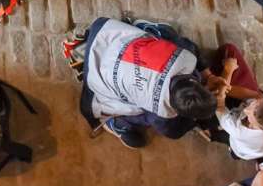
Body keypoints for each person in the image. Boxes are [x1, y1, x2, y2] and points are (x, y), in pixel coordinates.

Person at [76, 17, 216, 148]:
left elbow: (190, 50)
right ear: (177, 112)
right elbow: (174, 131)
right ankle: (117, 123)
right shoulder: (160, 114)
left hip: (103, 33)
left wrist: (207, 74)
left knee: (168, 36)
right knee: (137, 111)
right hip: (97, 73)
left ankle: (142, 27)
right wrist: (193, 122)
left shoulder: (186, 56)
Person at [200, 44, 263, 161]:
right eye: (254, 105)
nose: (246, 110)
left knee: (206, 107)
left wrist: (228, 72)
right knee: (229, 50)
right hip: (254, 137)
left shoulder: (241, 131)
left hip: (241, 147)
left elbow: (220, 106)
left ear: (258, 128)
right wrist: (226, 85)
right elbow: (256, 95)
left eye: (249, 116)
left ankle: (214, 136)